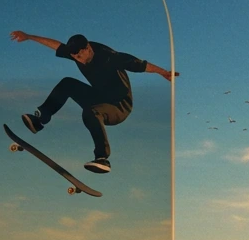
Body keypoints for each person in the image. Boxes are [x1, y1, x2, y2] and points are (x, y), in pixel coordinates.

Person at [11, 31, 177, 174]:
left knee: (91, 112)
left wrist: (164, 73)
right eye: (75, 58)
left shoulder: (110, 57)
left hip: (119, 107)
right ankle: (40, 120)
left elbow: (141, 65)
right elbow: (56, 45)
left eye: (81, 55)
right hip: (99, 96)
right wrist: (28, 37)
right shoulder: (75, 54)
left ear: (88, 48)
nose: (80, 60)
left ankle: (102, 158)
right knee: (67, 83)